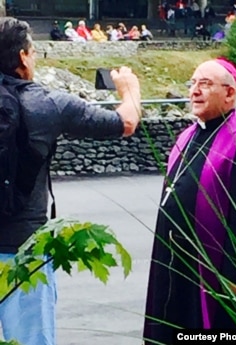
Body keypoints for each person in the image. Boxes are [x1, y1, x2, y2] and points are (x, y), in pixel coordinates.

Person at [0, 17, 141, 345]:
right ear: (23, 57)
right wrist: (128, 87)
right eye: (33, 52)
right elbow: (126, 122)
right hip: (25, 252)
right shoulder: (48, 104)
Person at [143, 58, 236, 344]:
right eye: (193, 84)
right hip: (174, 258)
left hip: (213, 269)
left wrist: (235, 275)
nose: (195, 91)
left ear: (229, 93)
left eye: (205, 84)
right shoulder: (187, 136)